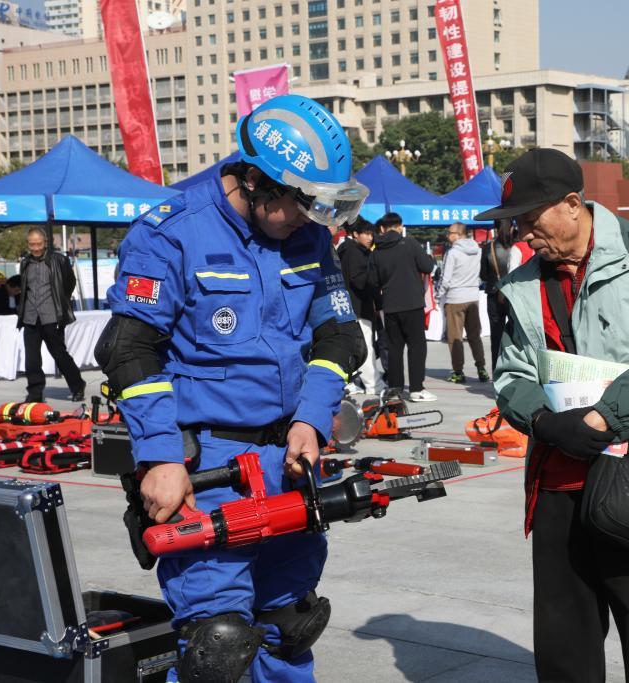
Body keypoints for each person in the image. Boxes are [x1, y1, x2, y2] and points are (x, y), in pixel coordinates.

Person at [96, 94, 368, 683]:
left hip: (291, 464)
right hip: (209, 473)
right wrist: (160, 458)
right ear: (254, 180)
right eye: (300, 203)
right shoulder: (171, 233)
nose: (308, 219)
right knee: (217, 646)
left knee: (289, 626)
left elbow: (341, 337)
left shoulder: (310, 237)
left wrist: (312, 419)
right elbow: (128, 351)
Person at [480, 148, 629, 683]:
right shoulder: (522, 284)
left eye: (530, 219)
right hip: (557, 481)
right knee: (564, 647)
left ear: (572, 203)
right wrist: (542, 421)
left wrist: (602, 420)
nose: (522, 233)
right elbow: (510, 374)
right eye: (515, 222)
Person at [369, 212, 437, 402]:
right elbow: (427, 266)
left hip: (390, 305)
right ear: (400, 227)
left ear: (382, 228)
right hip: (412, 302)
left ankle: (395, 388)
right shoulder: (410, 244)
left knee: (394, 348)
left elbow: (372, 281)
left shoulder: (376, 251)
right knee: (417, 346)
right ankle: (416, 389)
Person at [18, 227, 86, 402]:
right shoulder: (25, 263)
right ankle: (35, 394)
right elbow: (24, 288)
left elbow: (70, 283)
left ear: (46, 243)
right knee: (32, 360)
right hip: (30, 317)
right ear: (28, 244)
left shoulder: (59, 260)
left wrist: (60, 303)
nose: (36, 248)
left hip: (52, 316)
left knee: (60, 355)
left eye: (38, 244)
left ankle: (77, 386)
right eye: (32, 245)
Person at [337, 218, 386, 395]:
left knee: (352, 348)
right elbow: (360, 281)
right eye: (366, 234)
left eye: (372, 234)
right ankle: (374, 385)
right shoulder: (355, 252)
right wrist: (376, 287)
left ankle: (350, 383)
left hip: (348, 307)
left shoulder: (345, 250)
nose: (370, 238)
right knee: (365, 348)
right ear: (355, 234)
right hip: (358, 307)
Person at [437, 222, 487, 383]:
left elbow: (445, 278)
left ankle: (458, 371)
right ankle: (481, 368)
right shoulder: (478, 250)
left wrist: (438, 296)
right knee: (474, 336)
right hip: (473, 297)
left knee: (455, 337)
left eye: (450, 232)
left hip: (455, 298)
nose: (448, 235)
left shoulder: (452, 253)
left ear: (458, 235)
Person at [480, 220, 515, 372]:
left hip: (494, 294)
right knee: (516, 336)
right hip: (514, 295)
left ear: (495, 228)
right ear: (512, 228)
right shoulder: (517, 246)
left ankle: (497, 372)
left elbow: (483, 274)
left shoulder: (489, 248)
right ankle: (515, 371)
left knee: (496, 337)